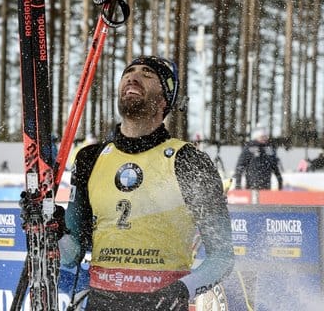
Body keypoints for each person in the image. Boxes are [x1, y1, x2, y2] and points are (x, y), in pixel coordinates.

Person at [58, 56, 234, 310]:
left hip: (161, 302)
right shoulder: (90, 158)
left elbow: (223, 256)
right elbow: (71, 255)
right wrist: (54, 229)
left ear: (165, 100)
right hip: (100, 302)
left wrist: (183, 289)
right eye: (128, 72)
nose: (133, 76)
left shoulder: (188, 160)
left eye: (148, 74)